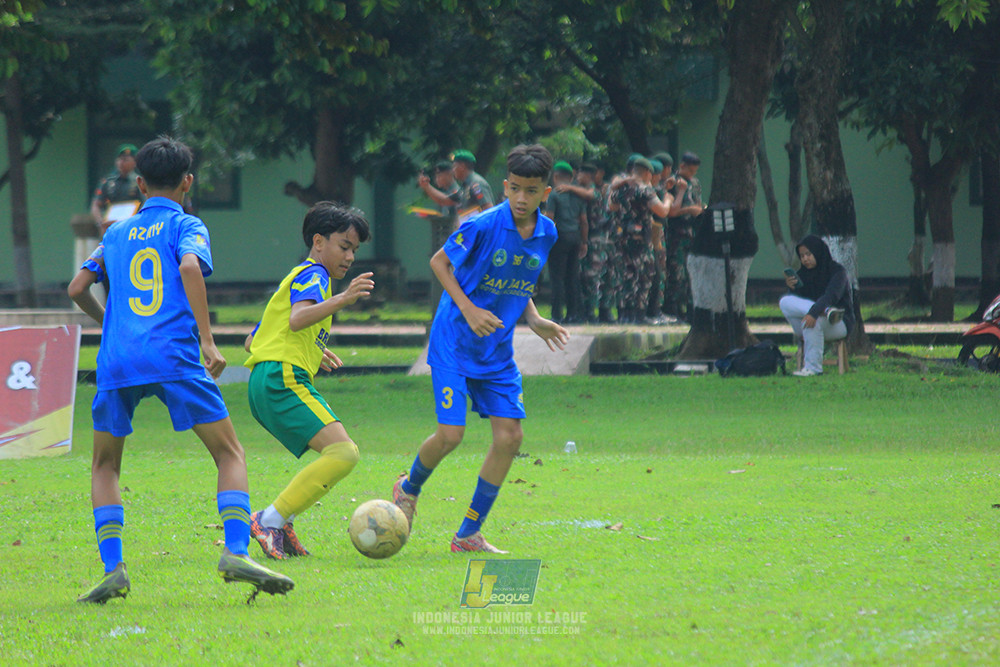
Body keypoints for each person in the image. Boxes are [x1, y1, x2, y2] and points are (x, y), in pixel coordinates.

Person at [67, 137, 293, 604]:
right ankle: (234, 551)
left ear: (142, 184)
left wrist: (110, 324)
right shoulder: (187, 224)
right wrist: (208, 340)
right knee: (229, 453)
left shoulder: (114, 233)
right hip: (172, 355)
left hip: (117, 360)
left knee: (105, 463)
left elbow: (76, 287)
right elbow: (190, 267)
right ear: (188, 181)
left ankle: (114, 568)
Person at [391, 143, 569, 553]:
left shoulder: (548, 232)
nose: (523, 198)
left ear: (547, 191)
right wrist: (469, 308)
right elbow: (440, 262)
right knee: (451, 435)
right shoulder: (483, 224)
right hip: (455, 340)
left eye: (533, 190)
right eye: (516, 189)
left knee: (510, 437)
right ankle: (408, 486)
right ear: (506, 187)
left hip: (496, 350)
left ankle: (469, 533)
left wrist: (534, 318)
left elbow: (516, 278)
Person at [243, 202, 375, 560]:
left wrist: (314, 351)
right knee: (344, 452)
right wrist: (343, 299)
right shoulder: (315, 276)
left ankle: (281, 523)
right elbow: (299, 319)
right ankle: (269, 519)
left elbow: (253, 340)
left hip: (264, 380)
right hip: (281, 379)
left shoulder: (297, 276)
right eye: (343, 246)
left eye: (354, 251)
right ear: (318, 241)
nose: (349, 257)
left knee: (338, 452)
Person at [608, 157, 672, 323]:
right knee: (644, 275)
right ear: (647, 172)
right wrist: (668, 200)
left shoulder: (621, 189)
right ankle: (639, 314)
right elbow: (662, 211)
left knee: (626, 275)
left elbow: (611, 207)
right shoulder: (645, 190)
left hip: (623, 239)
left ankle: (624, 315)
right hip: (641, 240)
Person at [779, 235, 853, 377]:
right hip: (812, 317)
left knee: (813, 322)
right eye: (802, 256)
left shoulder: (837, 272)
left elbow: (832, 295)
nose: (805, 259)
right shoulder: (802, 275)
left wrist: (813, 313)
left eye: (808, 254)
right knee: (785, 301)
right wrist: (792, 288)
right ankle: (825, 310)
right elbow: (797, 302)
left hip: (838, 321)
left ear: (818, 252)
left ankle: (813, 369)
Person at [544, 161, 588, 323]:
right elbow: (584, 221)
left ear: (555, 176)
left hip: (560, 237)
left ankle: (557, 315)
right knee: (572, 277)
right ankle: (573, 314)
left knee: (557, 277)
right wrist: (584, 242)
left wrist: (546, 241)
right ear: (571, 177)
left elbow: (549, 218)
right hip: (575, 237)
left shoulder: (554, 194)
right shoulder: (578, 195)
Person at [665, 151, 704, 322]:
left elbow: (697, 203)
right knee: (676, 273)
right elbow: (670, 212)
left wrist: (699, 209)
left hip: (692, 233)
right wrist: (688, 210)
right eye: (690, 171)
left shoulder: (695, 183)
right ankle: (673, 309)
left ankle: (690, 310)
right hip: (676, 233)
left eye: (695, 171)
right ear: (682, 166)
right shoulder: (673, 182)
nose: (692, 174)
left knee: (692, 273)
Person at [90, 143, 144, 235]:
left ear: (135, 162)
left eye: (126, 159)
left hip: (132, 229)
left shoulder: (139, 182)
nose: (121, 162)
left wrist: (137, 220)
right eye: (119, 159)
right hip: (111, 228)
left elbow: (145, 203)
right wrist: (100, 222)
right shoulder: (107, 182)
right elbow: (96, 204)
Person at [452, 149, 495, 216]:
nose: (453, 170)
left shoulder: (477, 183)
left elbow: (488, 209)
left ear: (462, 166)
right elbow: (445, 200)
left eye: (454, 166)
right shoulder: (465, 185)